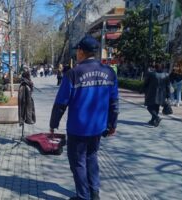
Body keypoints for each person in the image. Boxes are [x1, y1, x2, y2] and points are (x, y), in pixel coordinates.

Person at [49, 35, 119, 200]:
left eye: (77, 51)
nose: (77, 54)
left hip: (78, 128)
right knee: (91, 157)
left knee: (78, 162)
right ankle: (94, 193)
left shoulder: (73, 74)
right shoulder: (109, 72)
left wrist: (53, 123)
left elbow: (60, 103)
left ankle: (83, 196)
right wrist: (112, 124)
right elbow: (114, 102)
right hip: (98, 127)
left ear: (81, 51)